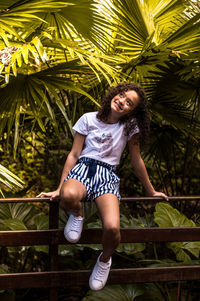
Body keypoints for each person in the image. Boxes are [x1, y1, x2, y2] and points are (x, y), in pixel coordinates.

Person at [37, 82, 168, 291]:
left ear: (132, 110)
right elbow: (74, 154)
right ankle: (77, 214)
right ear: (114, 94)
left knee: (113, 228)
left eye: (129, 103)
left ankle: (104, 260)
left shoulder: (129, 126)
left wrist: (150, 190)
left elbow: (136, 159)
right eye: (122, 96)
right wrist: (59, 187)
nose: (122, 102)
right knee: (68, 195)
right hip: (83, 170)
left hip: (107, 176)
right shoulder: (88, 119)